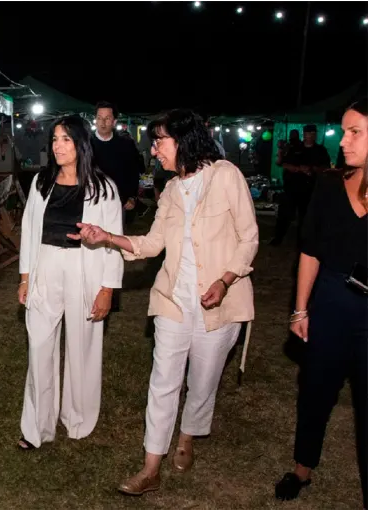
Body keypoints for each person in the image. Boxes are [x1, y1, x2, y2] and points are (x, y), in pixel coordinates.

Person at [69, 109, 258, 495]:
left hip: (218, 304)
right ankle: (150, 467)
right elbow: (153, 244)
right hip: (173, 300)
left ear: (184, 140)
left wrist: (225, 280)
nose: (154, 150)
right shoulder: (170, 190)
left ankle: (187, 434)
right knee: (163, 382)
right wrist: (107, 237)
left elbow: (249, 238)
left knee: (203, 380)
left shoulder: (225, 176)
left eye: (159, 141)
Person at [275, 98, 368, 507]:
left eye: (355, 132)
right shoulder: (330, 185)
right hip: (331, 300)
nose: (343, 141)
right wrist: (300, 309)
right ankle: (302, 468)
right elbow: (310, 250)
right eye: (344, 131)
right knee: (315, 391)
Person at [17, 115, 123, 450]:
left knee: (82, 347)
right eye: (54, 139)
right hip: (46, 265)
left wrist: (107, 289)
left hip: (84, 269)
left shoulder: (103, 188)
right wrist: (25, 277)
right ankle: (37, 426)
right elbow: (29, 231)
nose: (58, 146)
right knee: (39, 345)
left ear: (81, 143)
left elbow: (113, 241)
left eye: (65, 139)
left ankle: (78, 418)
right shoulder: (41, 182)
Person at [271, 125, 331, 246]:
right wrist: (298, 168)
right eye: (308, 133)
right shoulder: (294, 148)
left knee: (306, 217)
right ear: (304, 134)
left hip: (309, 189)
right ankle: (278, 238)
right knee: (285, 214)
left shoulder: (320, 150)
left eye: (313, 134)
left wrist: (312, 169)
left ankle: (302, 242)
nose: (311, 136)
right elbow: (283, 163)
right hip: (291, 188)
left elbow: (326, 167)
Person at [91, 101, 144, 225]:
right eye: (99, 118)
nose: (103, 122)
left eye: (107, 118)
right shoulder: (86, 144)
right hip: (91, 201)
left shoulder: (125, 144)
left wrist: (132, 196)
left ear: (114, 121)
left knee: (115, 234)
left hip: (119, 201)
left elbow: (133, 171)